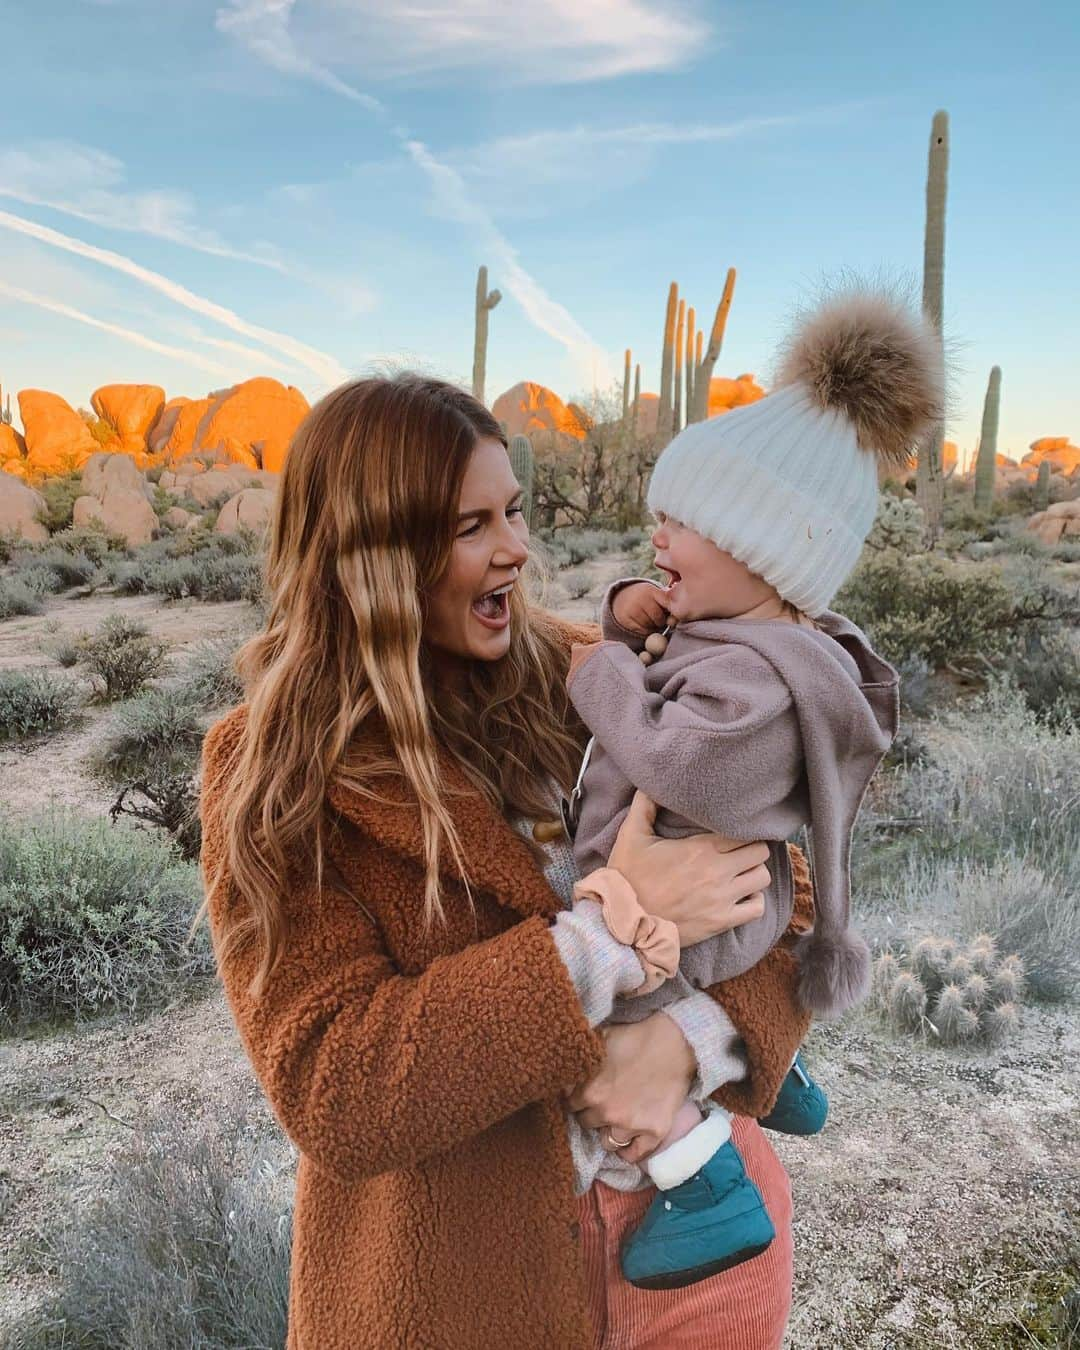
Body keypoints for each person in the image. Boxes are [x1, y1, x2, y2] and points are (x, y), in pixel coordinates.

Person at [194, 372, 816, 1349]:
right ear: (372, 553)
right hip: (459, 1294)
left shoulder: (590, 678)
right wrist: (610, 934)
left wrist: (691, 1042)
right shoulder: (276, 770)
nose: (517, 549)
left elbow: (788, 887)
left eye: (515, 511)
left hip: (700, 1253)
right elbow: (336, 1086)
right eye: (469, 525)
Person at [559, 287, 943, 1290]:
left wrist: (603, 669)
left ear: (767, 549)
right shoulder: (754, 639)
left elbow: (677, 761)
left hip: (690, 915)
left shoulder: (755, 677)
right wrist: (640, 615)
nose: (658, 538)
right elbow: (674, 660)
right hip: (723, 902)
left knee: (615, 1024)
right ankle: (781, 1076)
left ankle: (703, 1183)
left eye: (680, 525)